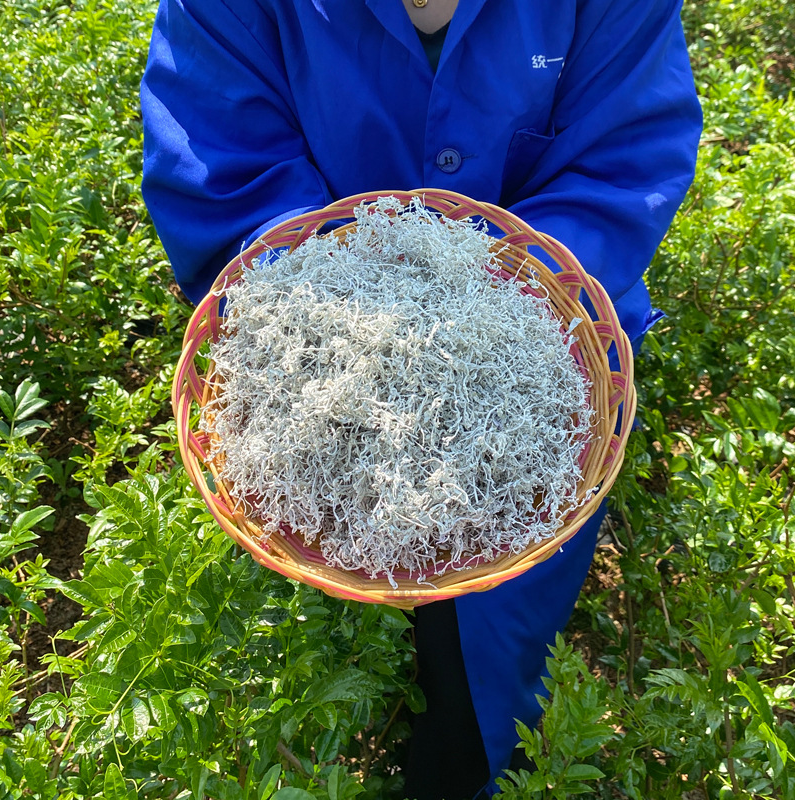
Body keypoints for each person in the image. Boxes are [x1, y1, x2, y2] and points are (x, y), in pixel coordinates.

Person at [141, 1, 702, 796]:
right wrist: (334, 325)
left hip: (548, 360)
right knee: (328, 619)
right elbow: (225, 168)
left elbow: (624, 162)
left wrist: (502, 301)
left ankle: (457, 766)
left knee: (486, 651)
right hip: (313, 374)